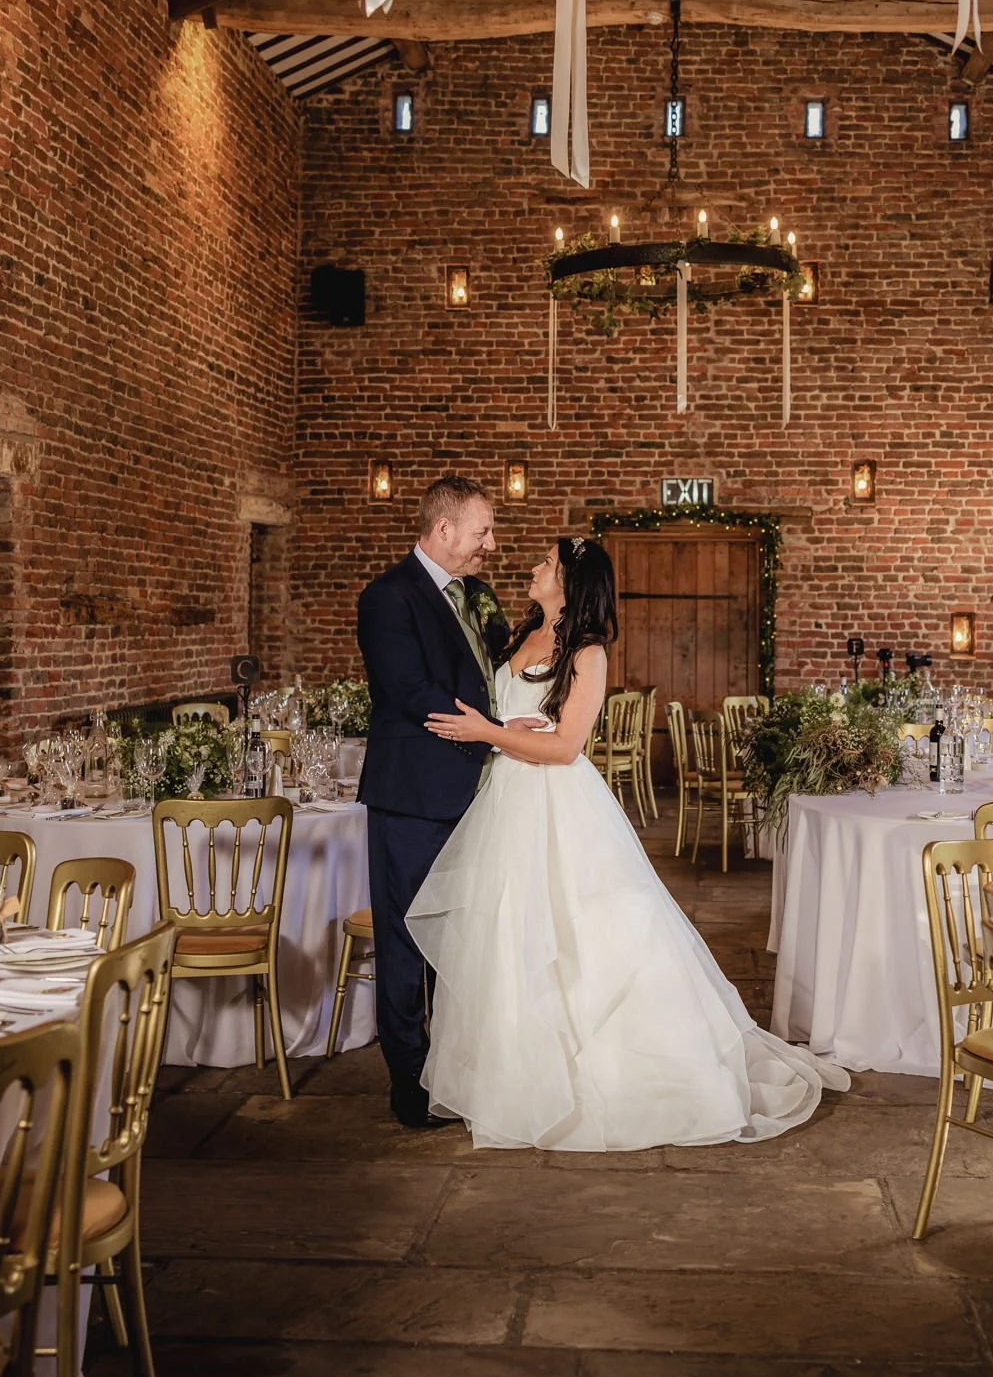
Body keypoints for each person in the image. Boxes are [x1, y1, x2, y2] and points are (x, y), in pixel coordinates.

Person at [410, 535, 847, 1150]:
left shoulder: (587, 653)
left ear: (569, 582)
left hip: (557, 806)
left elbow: (565, 747)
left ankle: (612, 1075)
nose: (533, 569)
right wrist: (496, 728)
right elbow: (510, 714)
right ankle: (516, 1077)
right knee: (509, 933)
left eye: (547, 564)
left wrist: (485, 732)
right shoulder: (514, 635)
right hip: (504, 803)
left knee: (577, 934)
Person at [355, 473, 511, 1130]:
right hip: (414, 797)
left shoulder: (478, 595)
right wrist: (493, 735)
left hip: (476, 798)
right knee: (404, 941)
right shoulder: (388, 597)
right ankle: (410, 1085)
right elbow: (412, 690)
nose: (491, 545)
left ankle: (453, 1071)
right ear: (442, 529)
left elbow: (498, 664)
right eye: (482, 532)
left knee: (460, 939)